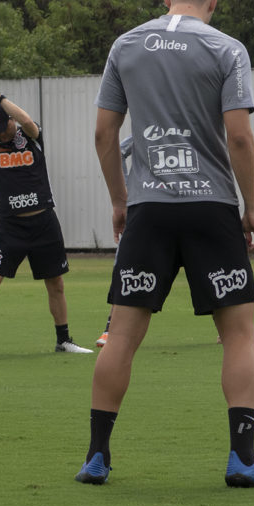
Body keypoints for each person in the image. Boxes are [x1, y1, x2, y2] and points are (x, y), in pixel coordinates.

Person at [77, 0, 254, 488]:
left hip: (148, 209)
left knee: (121, 335)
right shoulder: (226, 48)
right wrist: (253, 208)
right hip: (210, 208)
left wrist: (121, 201)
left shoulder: (125, 45)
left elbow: (105, 136)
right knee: (238, 335)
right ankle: (242, 460)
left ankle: (97, 458)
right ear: (214, 1)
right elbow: (238, 137)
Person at [0, 66, 92, 358]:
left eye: (3, 129)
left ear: (10, 120)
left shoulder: (31, 136)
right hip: (10, 227)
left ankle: (63, 340)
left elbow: (24, 119)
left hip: (44, 222)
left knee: (56, 283)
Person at [96, 136, 133, 348]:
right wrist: (125, 198)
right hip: (148, 207)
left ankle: (224, 328)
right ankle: (110, 329)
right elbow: (118, 151)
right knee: (124, 264)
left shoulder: (194, 130)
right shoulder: (149, 131)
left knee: (201, 266)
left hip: (189, 204)